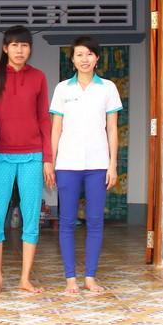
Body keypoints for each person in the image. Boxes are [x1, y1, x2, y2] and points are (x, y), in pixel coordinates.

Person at [0, 25, 54, 294]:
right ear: (5, 48)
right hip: (0, 157)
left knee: (31, 216)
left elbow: (43, 119)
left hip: (32, 157)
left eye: (24, 45)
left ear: (30, 49)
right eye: (14, 45)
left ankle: (25, 278)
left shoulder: (38, 77)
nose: (20, 50)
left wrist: (47, 158)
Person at [50, 36, 122, 294]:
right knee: (67, 221)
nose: (84, 59)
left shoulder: (108, 88)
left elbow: (112, 128)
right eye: (79, 54)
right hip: (67, 163)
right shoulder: (62, 89)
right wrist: (52, 161)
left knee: (95, 221)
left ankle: (90, 277)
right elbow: (56, 128)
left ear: (97, 58)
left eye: (89, 54)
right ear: (72, 59)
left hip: (98, 163)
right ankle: (70, 279)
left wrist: (113, 165)